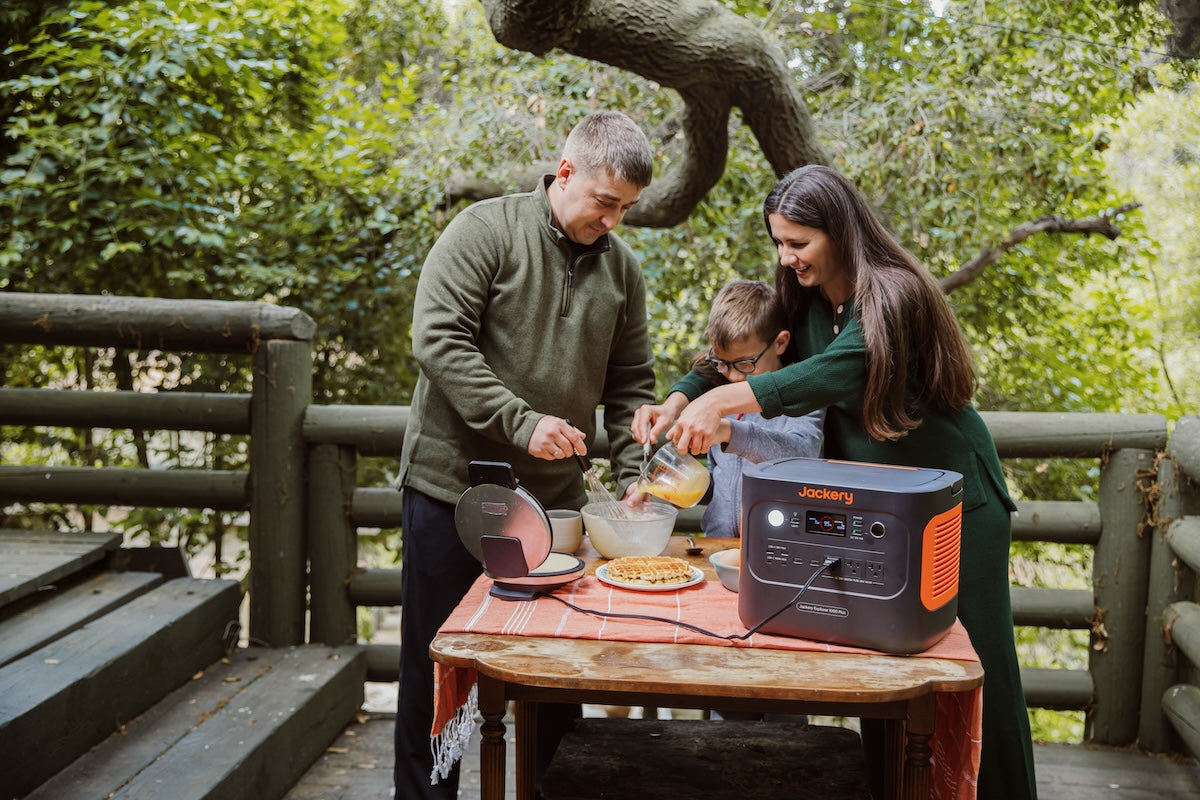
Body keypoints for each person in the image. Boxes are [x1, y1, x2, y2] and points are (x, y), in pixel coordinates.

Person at [633, 164, 1038, 800]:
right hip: (872, 505)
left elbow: (833, 372)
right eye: (778, 242)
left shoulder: (894, 296)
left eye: (798, 242)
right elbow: (746, 350)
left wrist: (731, 403)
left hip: (951, 501)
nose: (785, 257)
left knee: (972, 673)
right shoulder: (804, 293)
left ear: (840, 231)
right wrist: (684, 396)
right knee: (880, 663)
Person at [395, 110, 657, 799]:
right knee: (439, 671)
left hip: (557, 510)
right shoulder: (483, 232)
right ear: (565, 173)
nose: (615, 221)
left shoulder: (623, 271)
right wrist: (522, 421)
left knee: (554, 675)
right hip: (453, 490)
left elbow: (632, 387)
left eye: (627, 208)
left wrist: (633, 477)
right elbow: (438, 343)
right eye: (606, 202)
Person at [688, 279, 824, 537]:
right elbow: (719, 487)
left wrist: (731, 433)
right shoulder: (722, 399)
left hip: (777, 550)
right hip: (719, 548)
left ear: (780, 343)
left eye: (744, 363)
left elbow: (801, 456)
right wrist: (683, 485)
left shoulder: (803, 395)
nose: (733, 377)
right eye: (722, 363)